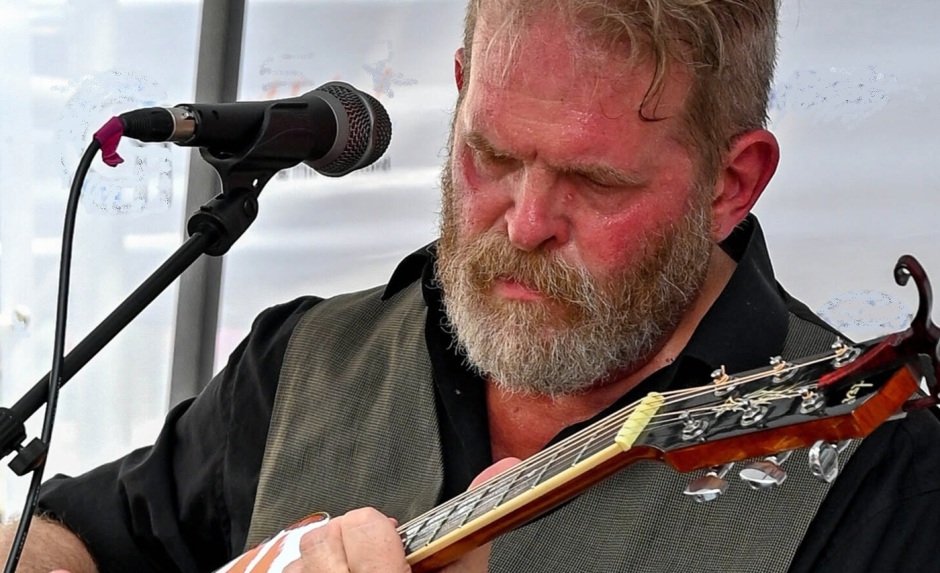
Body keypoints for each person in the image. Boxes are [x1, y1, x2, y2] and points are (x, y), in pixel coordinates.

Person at [5, 0, 940, 571]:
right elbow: (66, 539)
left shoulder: (887, 477)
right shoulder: (307, 364)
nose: (525, 224)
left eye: (594, 181)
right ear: (459, 90)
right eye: (490, 153)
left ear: (731, 184)